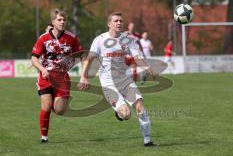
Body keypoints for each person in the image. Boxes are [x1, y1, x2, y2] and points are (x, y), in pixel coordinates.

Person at [78, 12, 156, 147]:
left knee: (140, 107)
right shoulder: (100, 40)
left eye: (121, 21)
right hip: (108, 83)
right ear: (109, 24)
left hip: (125, 80)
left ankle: (147, 140)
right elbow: (89, 59)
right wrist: (83, 76)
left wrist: (147, 67)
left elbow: (137, 57)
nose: (119, 23)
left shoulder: (128, 39)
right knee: (126, 114)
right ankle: (119, 113)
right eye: (115, 21)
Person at [31, 8, 84, 143]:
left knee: (60, 110)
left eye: (64, 20)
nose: (62, 22)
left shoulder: (71, 38)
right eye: (59, 20)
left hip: (62, 78)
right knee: (46, 106)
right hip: (46, 76)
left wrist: (84, 76)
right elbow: (34, 59)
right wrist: (42, 69)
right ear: (53, 22)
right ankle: (44, 137)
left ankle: (56, 102)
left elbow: (82, 56)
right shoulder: (43, 38)